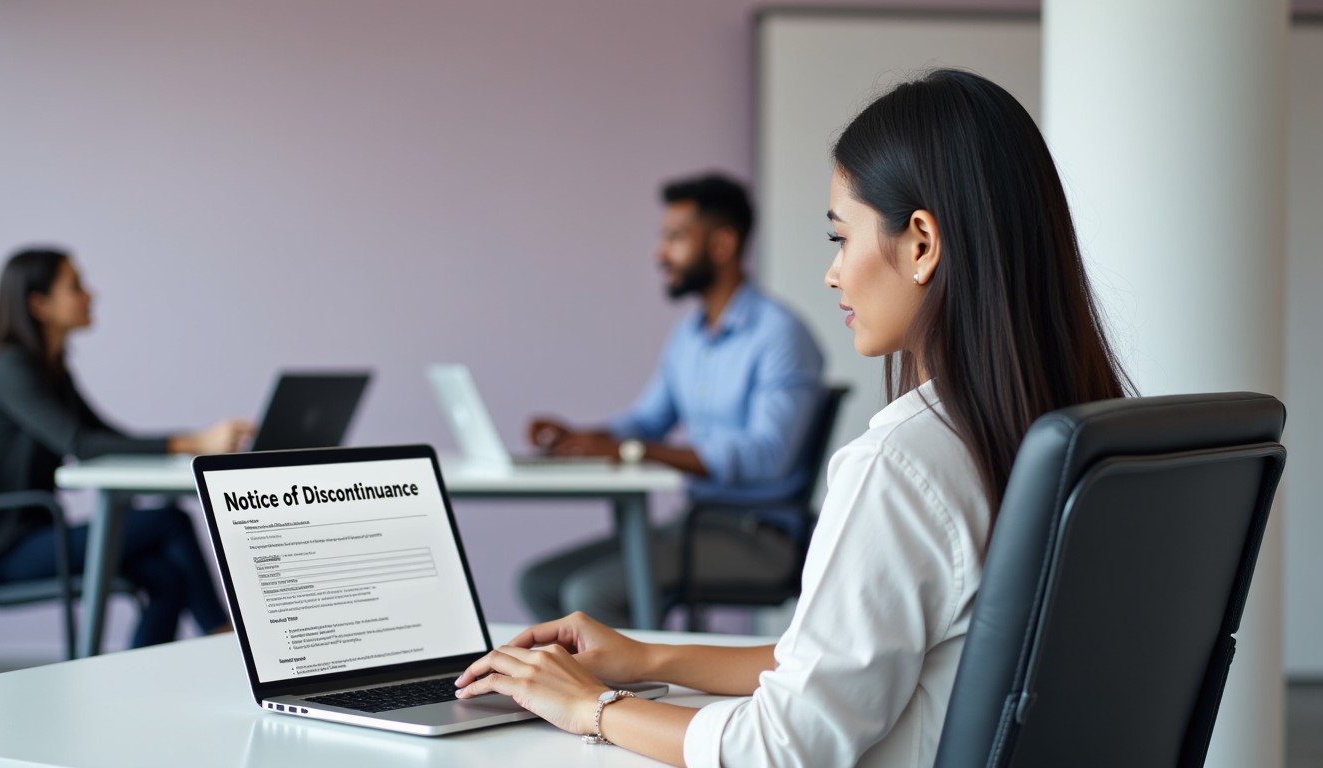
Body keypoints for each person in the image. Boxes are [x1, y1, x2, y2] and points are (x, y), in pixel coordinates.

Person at [454, 69, 1135, 766]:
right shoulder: (1088, 438)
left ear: (923, 243)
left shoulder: (903, 462)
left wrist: (588, 707)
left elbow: (781, 748)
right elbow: (848, 657)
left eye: (841, 237)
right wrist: (647, 656)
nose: (832, 273)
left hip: (751, 533)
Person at [519, 173, 825, 628]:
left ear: (722, 244)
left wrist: (632, 452)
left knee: (590, 595)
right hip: (695, 523)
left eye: (676, 238)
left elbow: (767, 455)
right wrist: (584, 437)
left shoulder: (780, 335)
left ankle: (630, 694)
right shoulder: (689, 336)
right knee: (540, 583)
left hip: (760, 535)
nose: (660, 253)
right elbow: (647, 421)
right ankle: (597, 686)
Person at [0, 247, 255, 648]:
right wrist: (194, 442)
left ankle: (133, 687)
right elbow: (81, 444)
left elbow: (109, 438)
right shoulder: (10, 369)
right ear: (38, 304)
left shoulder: (53, 371)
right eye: (75, 287)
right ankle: (222, 638)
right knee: (171, 522)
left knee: (167, 576)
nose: (90, 295)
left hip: (42, 532)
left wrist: (195, 443)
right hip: (8, 549)